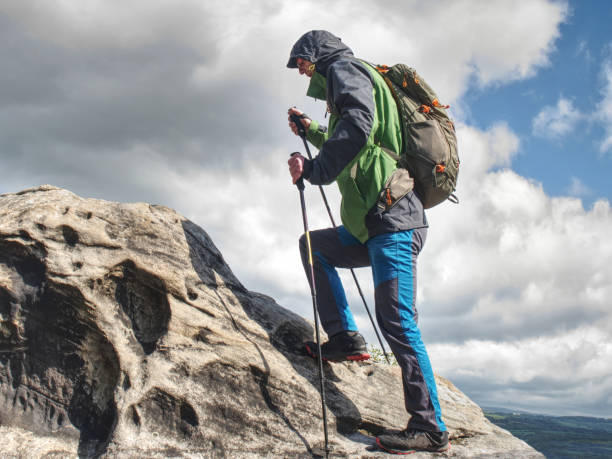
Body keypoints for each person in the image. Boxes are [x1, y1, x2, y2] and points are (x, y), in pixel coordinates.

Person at [286, 30, 449, 454]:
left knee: (396, 319)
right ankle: (344, 340)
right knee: (313, 246)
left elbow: (359, 126)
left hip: (394, 221)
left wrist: (315, 170)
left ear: (318, 55)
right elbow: (361, 140)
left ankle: (430, 429)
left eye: (301, 61)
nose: (300, 70)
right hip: (371, 226)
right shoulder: (346, 82)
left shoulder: (345, 70)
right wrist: (312, 131)